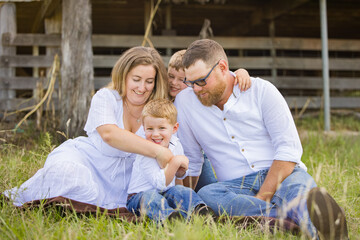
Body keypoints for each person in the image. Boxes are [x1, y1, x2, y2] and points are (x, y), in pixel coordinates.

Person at [174, 39, 348, 239]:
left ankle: (324, 231)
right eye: (190, 82)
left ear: (222, 67)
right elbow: (193, 161)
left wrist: (263, 196)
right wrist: (180, 201)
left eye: (201, 81)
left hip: (284, 174)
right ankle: (288, 220)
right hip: (235, 186)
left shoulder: (262, 91)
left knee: (301, 195)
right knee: (207, 195)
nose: (195, 89)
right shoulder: (185, 102)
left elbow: (288, 150)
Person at [3, 46, 176, 210]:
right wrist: (157, 151)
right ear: (123, 76)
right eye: (136, 79)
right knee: (68, 174)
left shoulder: (158, 110)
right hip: (90, 161)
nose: (141, 87)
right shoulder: (106, 97)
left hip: (127, 180)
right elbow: (109, 134)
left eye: (149, 81)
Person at [167, 49, 251, 192]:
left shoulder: (200, 96)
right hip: (170, 152)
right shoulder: (163, 97)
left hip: (197, 157)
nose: (174, 83)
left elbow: (224, 79)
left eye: (181, 80)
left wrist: (241, 72)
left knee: (210, 190)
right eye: (170, 76)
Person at [126, 99, 213, 221]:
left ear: (174, 128)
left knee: (181, 190)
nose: (155, 134)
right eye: (150, 129)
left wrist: (182, 171)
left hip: (166, 193)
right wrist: (175, 162)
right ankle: (169, 218)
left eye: (161, 128)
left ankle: (198, 210)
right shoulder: (145, 153)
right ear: (143, 128)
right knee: (151, 197)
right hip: (139, 197)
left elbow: (178, 176)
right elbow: (160, 184)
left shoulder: (176, 144)